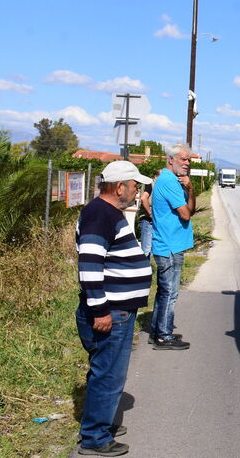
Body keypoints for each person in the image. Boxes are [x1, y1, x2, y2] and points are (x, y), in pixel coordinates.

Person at [75, 161, 153, 456]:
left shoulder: (106, 212)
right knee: (109, 374)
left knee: (104, 371)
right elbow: (90, 265)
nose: (137, 193)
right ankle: (95, 437)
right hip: (112, 311)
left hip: (117, 309)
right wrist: (100, 310)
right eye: (135, 187)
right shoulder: (100, 214)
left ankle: (100, 422)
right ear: (120, 187)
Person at [150, 143, 195, 350]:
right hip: (169, 245)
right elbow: (185, 214)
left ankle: (158, 330)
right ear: (171, 160)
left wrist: (190, 188)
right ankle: (163, 336)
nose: (187, 163)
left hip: (172, 244)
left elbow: (190, 209)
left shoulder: (175, 182)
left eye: (188, 160)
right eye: (183, 159)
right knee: (170, 292)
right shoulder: (168, 181)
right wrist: (185, 193)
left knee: (164, 292)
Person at [137, 169, 161, 258]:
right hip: (148, 220)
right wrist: (150, 214)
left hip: (154, 220)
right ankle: (143, 269)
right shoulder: (150, 184)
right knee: (146, 249)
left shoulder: (159, 186)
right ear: (156, 177)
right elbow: (143, 198)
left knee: (151, 249)